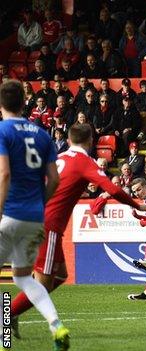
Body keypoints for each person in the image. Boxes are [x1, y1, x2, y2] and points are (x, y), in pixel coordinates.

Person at [9, 123, 146, 338]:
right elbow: (111, 188)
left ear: (69, 140)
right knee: (42, 286)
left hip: (34, 217)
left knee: (61, 274)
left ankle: (11, 314)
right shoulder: (84, 161)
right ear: (91, 141)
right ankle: (7, 314)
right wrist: (137, 205)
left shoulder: (59, 156)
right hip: (47, 225)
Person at [0, 80, 68, 349]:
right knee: (22, 278)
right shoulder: (42, 134)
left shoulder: (3, 130)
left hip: (9, 214)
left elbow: (4, 174)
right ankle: (57, 326)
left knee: (23, 277)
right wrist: (39, 203)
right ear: (24, 102)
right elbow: (54, 179)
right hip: (35, 217)